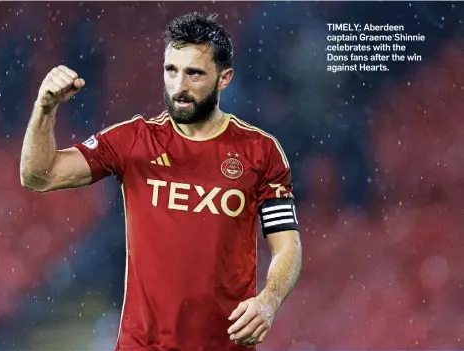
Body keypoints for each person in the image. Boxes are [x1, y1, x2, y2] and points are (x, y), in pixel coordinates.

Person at [20, 12, 302, 350]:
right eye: (172, 71)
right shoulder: (133, 141)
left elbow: (287, 244)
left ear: (224, 79)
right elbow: (39, 175)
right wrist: (45, 108)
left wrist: (269, 300)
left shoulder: (261, 152)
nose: (180, 86)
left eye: (194, 73)